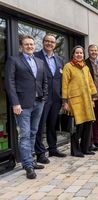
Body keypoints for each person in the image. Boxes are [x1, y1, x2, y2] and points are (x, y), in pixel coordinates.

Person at [5, 35, 47, 179]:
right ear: (21, 46)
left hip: (39, 102)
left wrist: (44, 97)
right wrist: (15, 102)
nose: (30, 46)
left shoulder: (40, 61)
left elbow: (44, 81)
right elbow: (9, 82)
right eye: (26, 44)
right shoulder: (14, 60)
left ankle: (31, 160)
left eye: (31, 44)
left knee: (34, 133)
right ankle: (28, 165)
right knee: (24, 135)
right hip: (22, 104)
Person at [34, 33, 66, 164]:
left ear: (55, 44)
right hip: (42, 97)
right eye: (47, 41)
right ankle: (40, 153)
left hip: (56, 98)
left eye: (52, 42)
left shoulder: (60, 60)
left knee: (52, 124)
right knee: (40, 126)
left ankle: (53, 148)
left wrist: (63, 98)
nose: (49, 44)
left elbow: (62, 80)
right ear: (43, 42)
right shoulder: (36, 57)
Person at [62, 45, 98, 157]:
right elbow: (64, 85)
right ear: (73, 54)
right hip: (75, 102)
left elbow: (91, 83)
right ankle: (75, 151)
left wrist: (93, 98)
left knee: (87, 125)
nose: (79, 55)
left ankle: (85, 148)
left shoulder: (85, 67)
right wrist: (65, 102)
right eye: (77, 53)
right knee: (77, 127)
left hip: (86, 101)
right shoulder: (68, 66)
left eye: (81, 53)